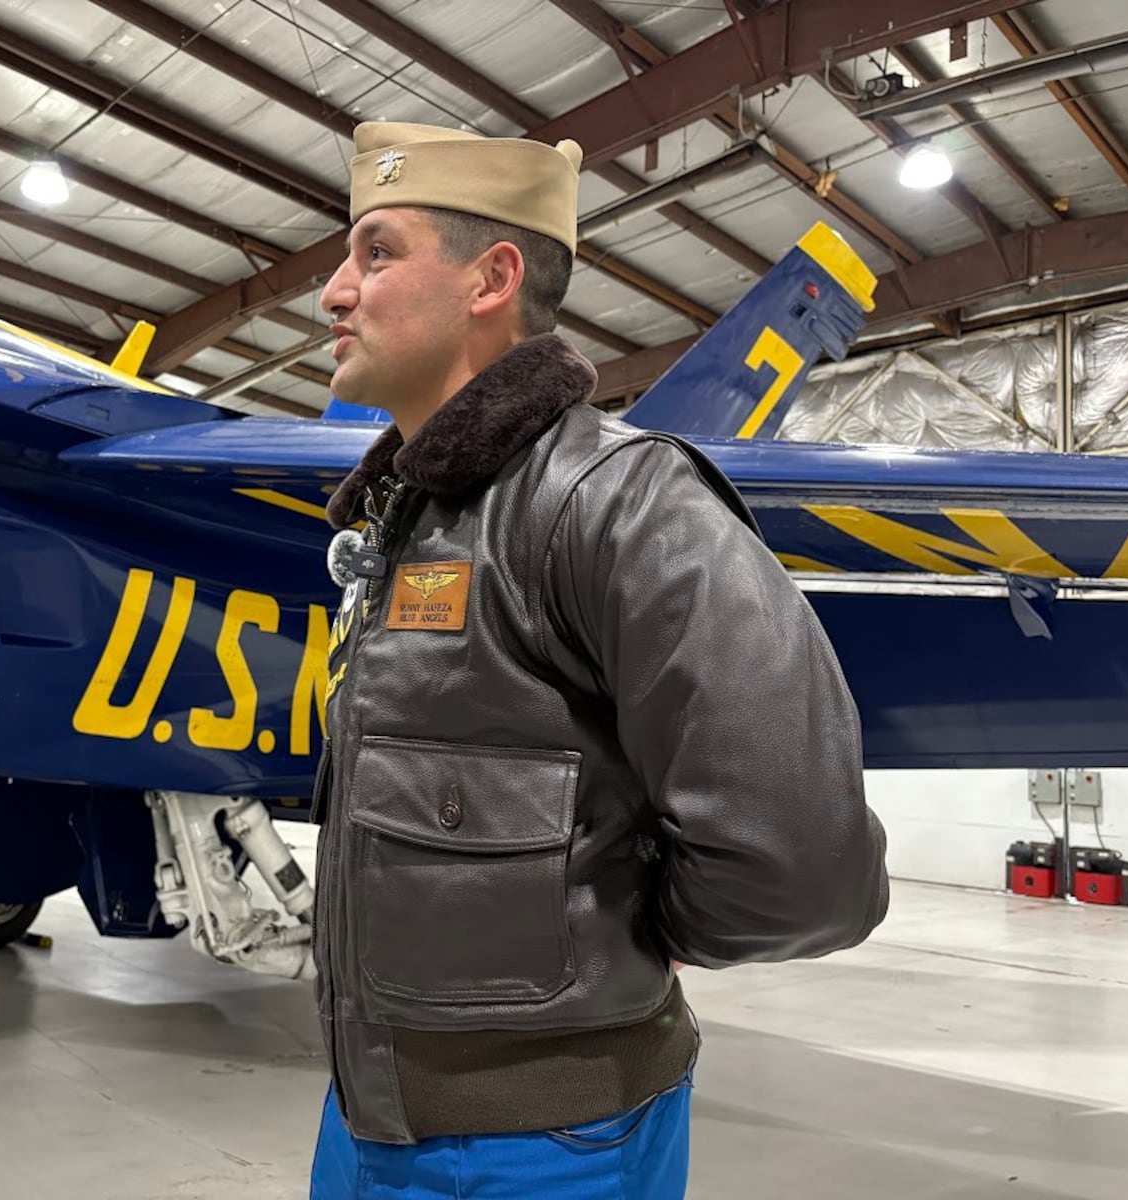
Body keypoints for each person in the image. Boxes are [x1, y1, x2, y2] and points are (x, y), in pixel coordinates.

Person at [306, 120, 890, 1198]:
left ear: (492, 277)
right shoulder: (409, 523)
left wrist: (636, 937)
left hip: (548, 1144)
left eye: (375, 253)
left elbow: (804, 863)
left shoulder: (621, 501)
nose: (334, 291)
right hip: (366, 1116)